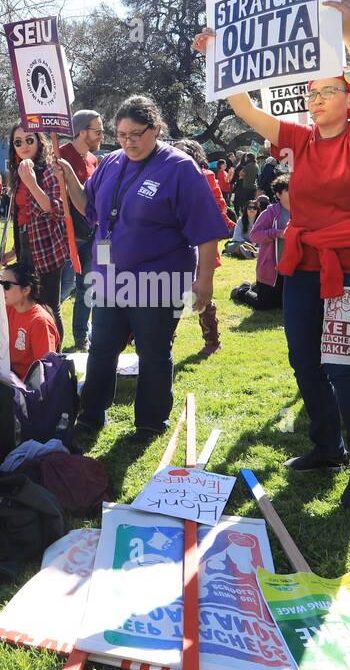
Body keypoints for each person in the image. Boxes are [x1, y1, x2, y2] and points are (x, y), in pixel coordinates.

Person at [194, 0, 350, 508]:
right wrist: (221, 58)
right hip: (303, 262)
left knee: (342, 362)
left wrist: (348, 32)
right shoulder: (300, 140)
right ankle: (327, 447)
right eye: (312, 91)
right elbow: (243, 107)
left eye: (328, 90)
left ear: (348, 98)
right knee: (304, 359)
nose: (316, 98)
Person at [56, 93, 228, 440]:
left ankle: (150, 421)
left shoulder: (180, 168)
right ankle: (90, 415)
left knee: (153, 350)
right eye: (121, 134)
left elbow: (207, 230)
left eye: (136, 133)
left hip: (158, 278)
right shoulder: (110, 163)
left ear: (157, 129)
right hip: (110, 276)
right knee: (102, 346)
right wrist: (68, 178)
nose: (129, 142)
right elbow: (90, 207)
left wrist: (204, 280)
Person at [7, 126, 69, 342]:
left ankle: (56, 361)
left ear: (39, 142)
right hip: (26, 244)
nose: (24, 146)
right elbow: (22, 215)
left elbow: (57, 209)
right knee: (29, 304)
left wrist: (32, 183)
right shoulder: (17, 172)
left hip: (48, 248)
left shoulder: (50, 169)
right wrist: (16, 249)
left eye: (29, 140)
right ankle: (35, 351)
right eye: (18, 142)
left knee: (49, 307)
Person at [171, 137, 233, 356]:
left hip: (201, 245)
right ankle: (165, 340)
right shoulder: (167, 174)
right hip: (173, 247)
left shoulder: (205, 176)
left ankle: (212, 341)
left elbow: (219, 209)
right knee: (171, 294)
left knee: (201, 293)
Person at [58, 110, 103, 350]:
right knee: (64, 287)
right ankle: (45, 327)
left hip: (90, 234)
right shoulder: (59, 154)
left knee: (87, 287)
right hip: (66, 237)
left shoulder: (93, 160)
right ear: (83, 131)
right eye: (98, 131)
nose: (101, 136)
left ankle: (80, 337)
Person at [231, 180, 291, 310]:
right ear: (278, 194)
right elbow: (254, 236)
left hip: (290, 271)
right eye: (288, 190)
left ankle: (256, 287)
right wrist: (277, 233)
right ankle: (242, 291)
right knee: (264, 306)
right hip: (270, 270)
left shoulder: (301, 212)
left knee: (282, 306)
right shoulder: (269, 213)